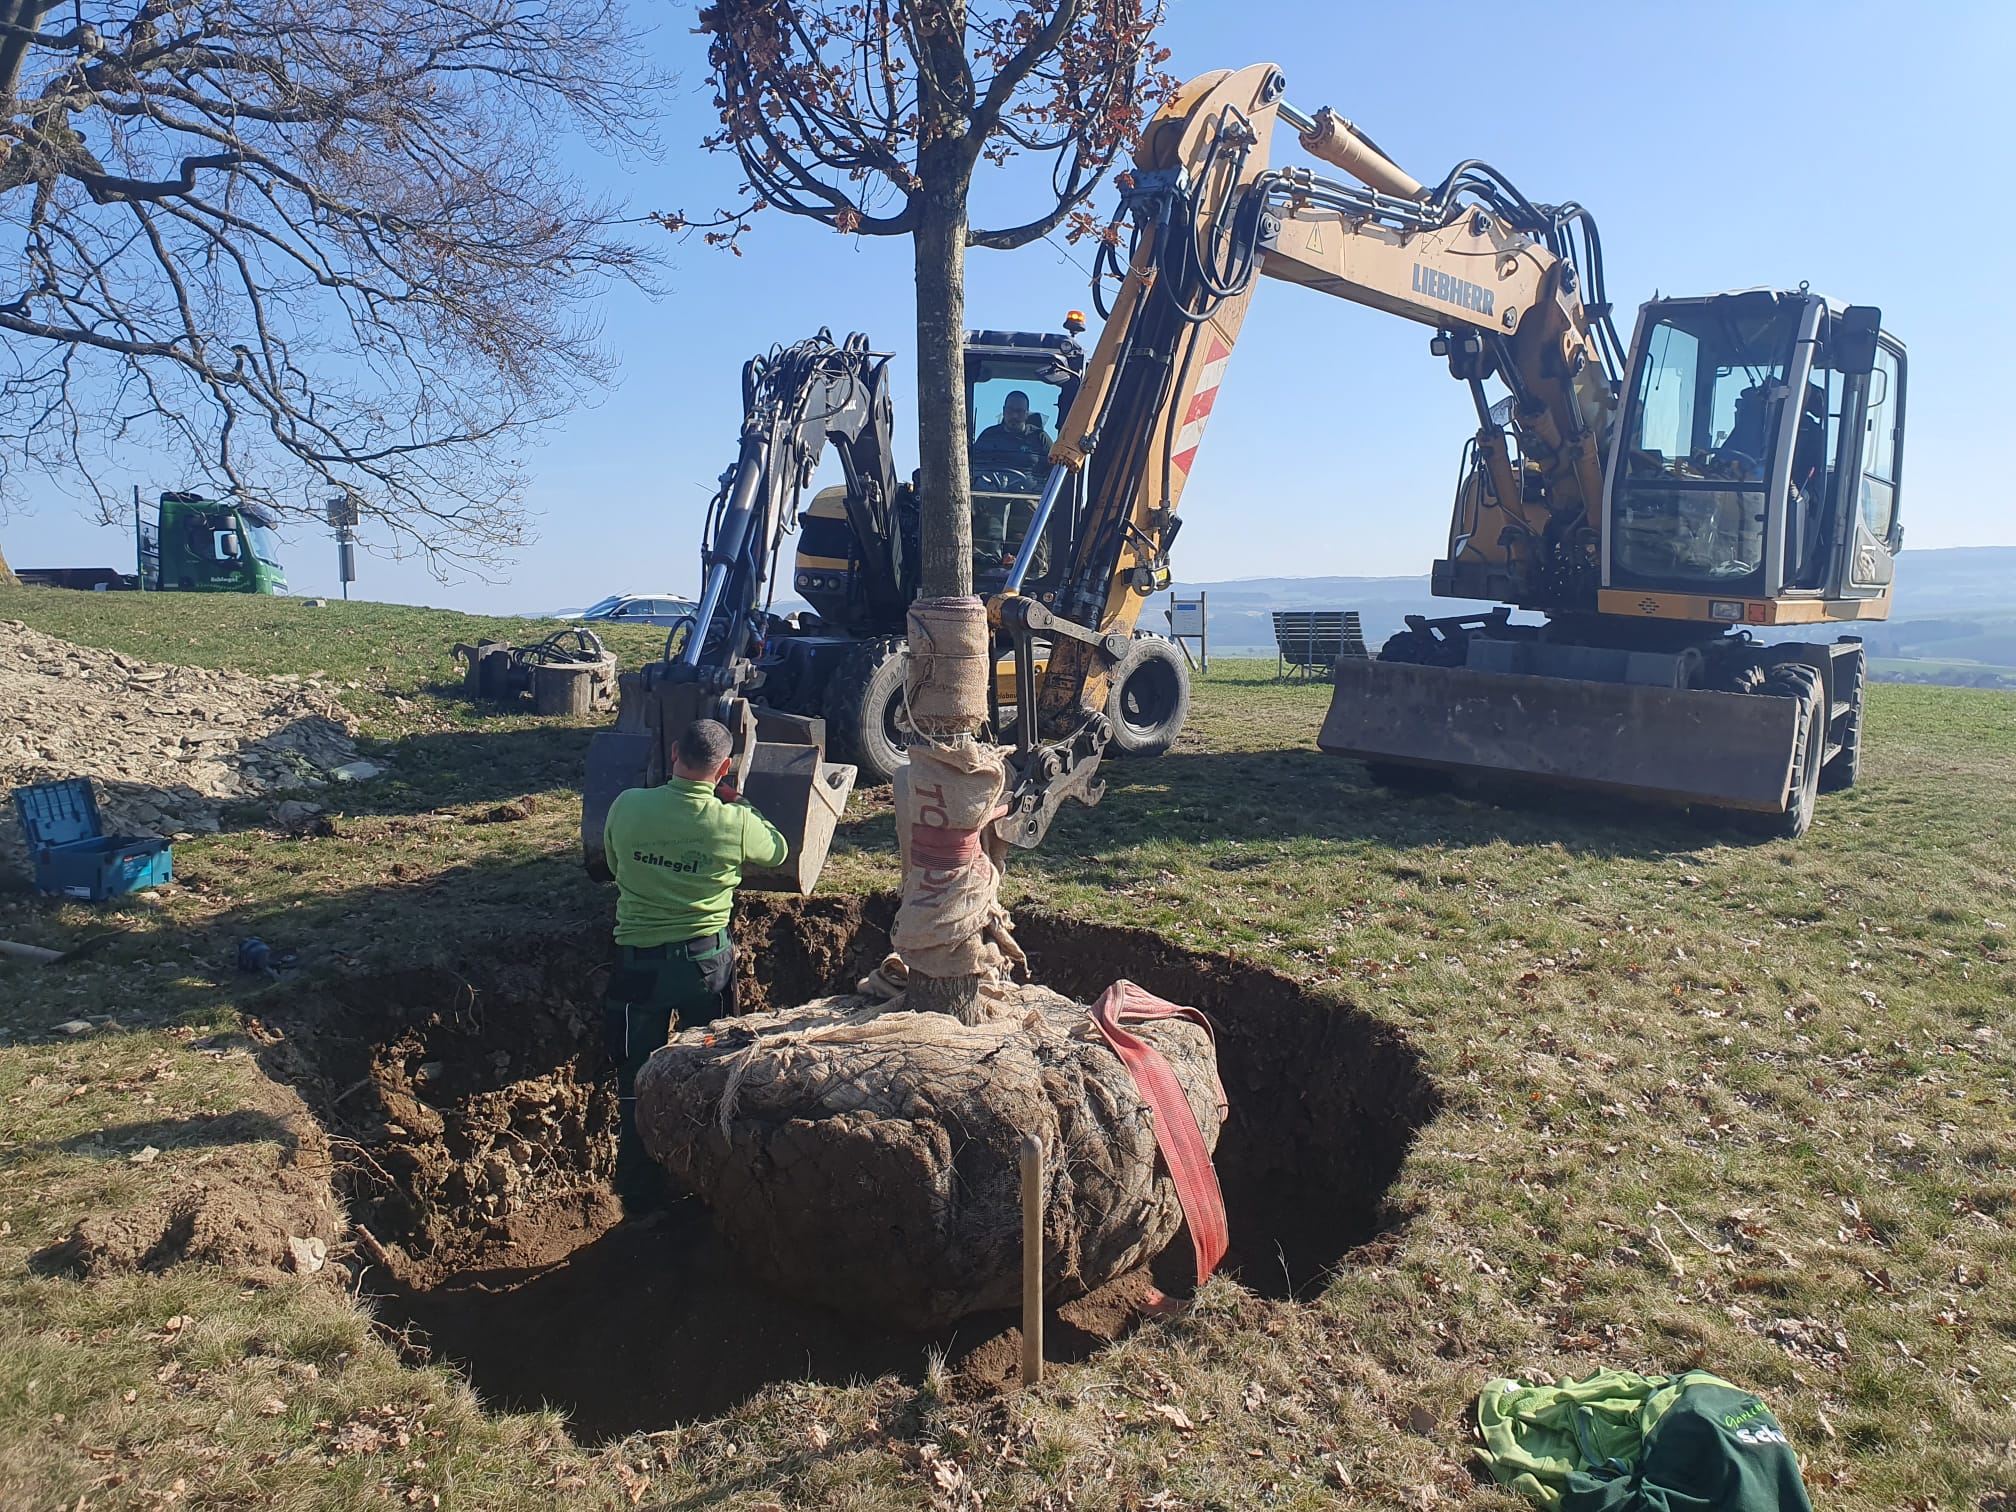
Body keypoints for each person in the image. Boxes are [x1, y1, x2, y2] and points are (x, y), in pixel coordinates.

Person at [602, 717, 788, 1213]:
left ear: (676, 752)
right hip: (705, 969)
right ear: (724, 768)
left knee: (633, 1084)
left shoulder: (627, 806)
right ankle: (705, 1187)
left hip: (637, 972)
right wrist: (739, 802)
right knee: (710, 1075)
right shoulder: (735, 822)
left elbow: (615, 868)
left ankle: (640, 1198)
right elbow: (779, 850)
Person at [970, 389, 1051, 476]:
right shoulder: (988, 436)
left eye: (1019, 411)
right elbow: (971, 466)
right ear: (1004, 411)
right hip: (985, 489)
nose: (1014, 416)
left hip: (1032, 489)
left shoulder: (1040, 438)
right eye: (1010, 410)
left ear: (1027, 414)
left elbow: (1055, 468)